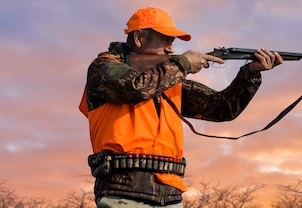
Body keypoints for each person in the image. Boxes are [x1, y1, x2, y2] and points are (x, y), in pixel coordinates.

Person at [78, 7, 283, 207]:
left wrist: (251, 73)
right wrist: (183, 64)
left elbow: (222, 107)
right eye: (166, 41)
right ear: (139, 38)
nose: (171, 49)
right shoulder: (102, 67)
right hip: (122, 196)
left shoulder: (170, 80)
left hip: (170, 197)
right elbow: (137, 88)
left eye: (172, 42)